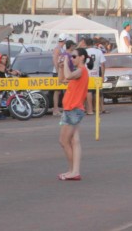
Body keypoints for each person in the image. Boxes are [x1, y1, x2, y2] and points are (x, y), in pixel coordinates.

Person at [57, 47, 93, 181]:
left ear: (82, 57)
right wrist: (61, 66)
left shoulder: (81, 70)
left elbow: (68, 76)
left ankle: (73, 171)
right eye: (71, 57)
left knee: (64, 141)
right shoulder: (78, 71)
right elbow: (62, 79)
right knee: (74, 141)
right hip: (71, 109)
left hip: (73, 109)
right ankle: (74, 170)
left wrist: (66, 63)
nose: (72, 59)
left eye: (74, 57)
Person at [79, 38, 107, 115]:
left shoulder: (84, 52)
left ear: (86, 43)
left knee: (89, 92)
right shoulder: (98, 51)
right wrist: (103, 75)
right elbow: (103, 64)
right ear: (93, 43)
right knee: (98, 92)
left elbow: (80, 63)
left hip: (87, 74)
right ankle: (99, 108)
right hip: (96, 74)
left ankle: (90, 109)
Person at [51, 34, 68, 117]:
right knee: (57, 91)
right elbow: (54, 60)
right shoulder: (57, 49)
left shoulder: (61, 49)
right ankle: (55, 109)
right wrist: (58, 71)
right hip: (57, 72)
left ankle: (60, 108)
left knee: (60, 91)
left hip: (61, 72)